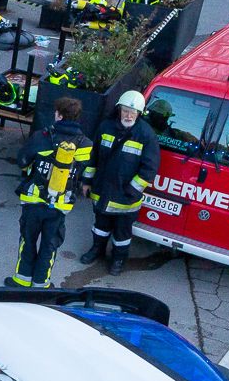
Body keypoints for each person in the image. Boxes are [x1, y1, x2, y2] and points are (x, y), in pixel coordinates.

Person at [10, 97, 93, 288]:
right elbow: (84, 171)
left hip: (34, 200)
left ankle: (21, 281)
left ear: (59, 115)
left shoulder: (42, 136)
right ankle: (41, 285)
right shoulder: (85, 144)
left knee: (28, 240)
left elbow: (22, 161)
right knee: (50, 244)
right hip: (59, 204)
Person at [79, 90, 161, 276]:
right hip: (102, 190)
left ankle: (118, 260)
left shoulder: (146, 135)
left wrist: (132, 190)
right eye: (125, 110)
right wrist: (86, 181)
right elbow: (93, 157)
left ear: (140, 113)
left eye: (133, 112)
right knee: (100, 226)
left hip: (126, 198)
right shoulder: (105, 127)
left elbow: (149, 168)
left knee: (122, 234)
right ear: (119, 109)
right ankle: (96, 251)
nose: (128, 115)